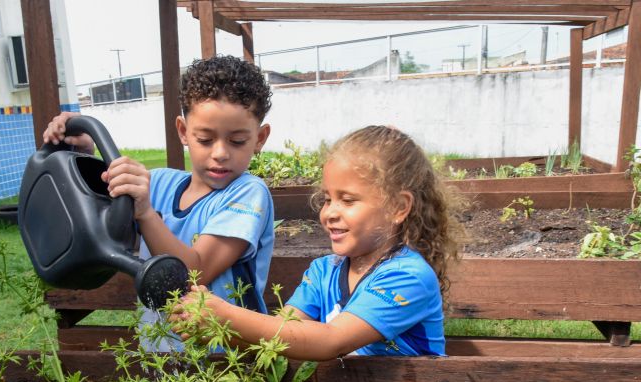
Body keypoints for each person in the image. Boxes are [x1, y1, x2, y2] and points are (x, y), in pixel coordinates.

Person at [172, 125, 465, 360]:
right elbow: (282, 339)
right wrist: (216, 327)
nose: (330, 213)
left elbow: (330, 341)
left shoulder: (407, 275)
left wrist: (225, 314)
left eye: (347, 200)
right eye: (327, 199)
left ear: (398, 208)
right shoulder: (323, 271)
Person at [43, 55, 275, 349]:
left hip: (225, 366)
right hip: (159, 360)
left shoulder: (248, 193)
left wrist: (146, 214)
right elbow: (102, 210)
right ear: (183, 132)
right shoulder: (160, 183)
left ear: (260, 138)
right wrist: (85, 152)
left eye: (237, 141)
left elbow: (195, 272)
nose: (220, 153)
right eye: (205, 139)